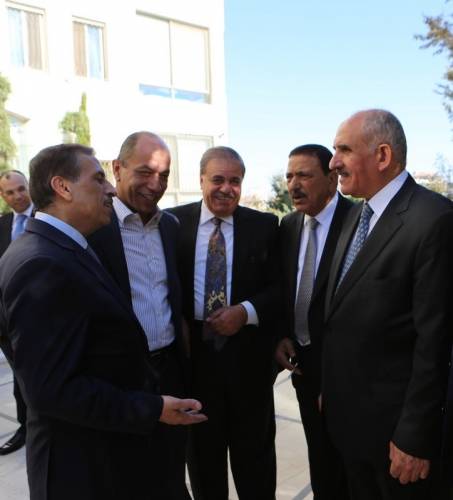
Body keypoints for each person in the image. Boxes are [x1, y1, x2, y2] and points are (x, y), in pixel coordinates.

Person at [0, 144, 206, 500]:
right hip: (82, 469)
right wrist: (153, 408)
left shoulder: (61, 248)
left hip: (108, 453)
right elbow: (51, 389)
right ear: (63, 187)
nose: (110, 188)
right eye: (98, 179)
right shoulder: (41, 263)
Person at [324, 109, 453, 499]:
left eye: (344, 150)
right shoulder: (355, 215)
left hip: (399, 443)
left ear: (382, 156)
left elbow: (435, 343)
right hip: (352, 430)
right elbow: (343, 312)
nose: (333, 162)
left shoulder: (434, 220)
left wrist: (415, 436)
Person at [169, 146, 279, 500]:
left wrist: (245, 312)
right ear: (201, 180)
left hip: (248, 365)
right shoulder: (171, 224)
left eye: (235, 181)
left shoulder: (265, 226)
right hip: (194, 364)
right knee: (203, 464)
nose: (226, 189)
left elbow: (279, 287)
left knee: (255, 464)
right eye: (218, 179)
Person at [88, 131, 190, 499]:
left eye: (164, 176)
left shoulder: (170, 226)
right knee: (126, 476)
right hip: (120, 378)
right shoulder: (93, 229)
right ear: (117, 169)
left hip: (168, 371)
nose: (155, 184)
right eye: (145, 172)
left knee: (171, 471)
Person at [275, 144, 352, 499]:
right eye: (289, 176)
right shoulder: (289, 225)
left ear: (332, 179)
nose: (294, 185)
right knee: (320, 461)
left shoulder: (358, 223)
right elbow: (283, 287)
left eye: (304, 175)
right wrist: (282, 335)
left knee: (351, 465)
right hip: (304, 369)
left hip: (348, 373)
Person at [0, 170, 33, 455]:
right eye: (10, 192)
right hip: (7, 322)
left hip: (44, 318)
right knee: (19, 378)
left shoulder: (47, 217)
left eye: (21, 188)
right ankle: (26, 427)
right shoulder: (2, 225)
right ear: (3, 196)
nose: (17, 195)